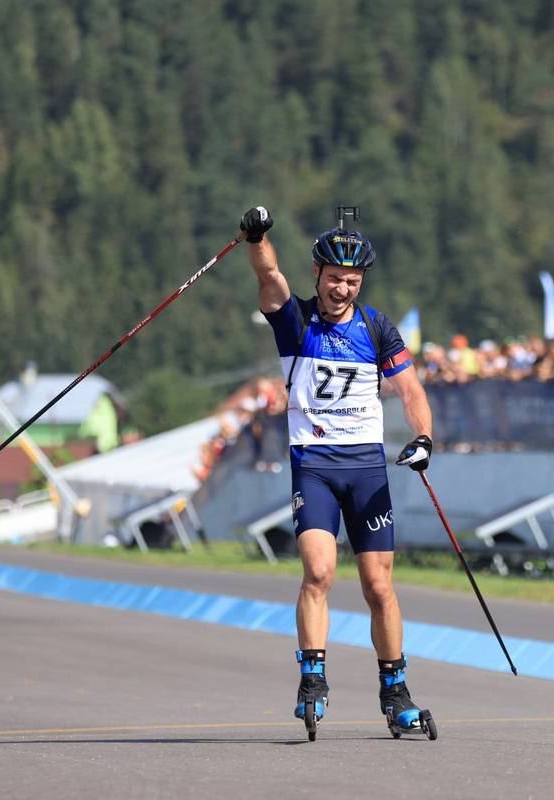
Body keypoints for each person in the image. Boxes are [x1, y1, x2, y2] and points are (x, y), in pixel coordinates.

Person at [239, 205, 437, 739]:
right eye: (333, 279)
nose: (341, 290)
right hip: (315, 467)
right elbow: (268, 275)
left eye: (352, 281)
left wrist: (423, 439)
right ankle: (312, 680)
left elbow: (411, 390)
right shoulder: (296, 321)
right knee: (319, 572)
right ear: (317, 274)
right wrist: (256, 237)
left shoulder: (376, 327)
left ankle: (396, 694)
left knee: (378, 585)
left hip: (367, 467)